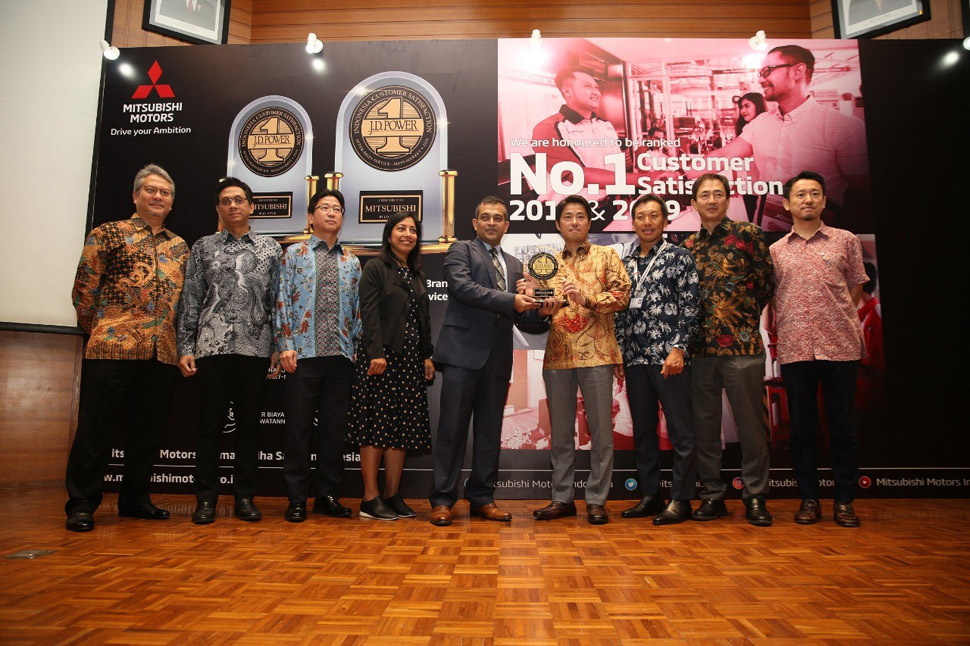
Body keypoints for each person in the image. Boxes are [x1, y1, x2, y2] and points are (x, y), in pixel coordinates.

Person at [66, 164, 189, 532]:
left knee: (147, 433)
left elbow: (184, 303)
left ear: (171, 203)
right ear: (136, 196)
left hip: (161, 353)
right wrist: (104, 330)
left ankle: (135, 499)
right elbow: (83, 291)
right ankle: (82, 504)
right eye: (151, 190)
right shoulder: (107, 234)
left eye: (165, 193)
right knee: (96, 430)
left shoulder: (180, 247)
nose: (158, 197)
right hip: (111, 349)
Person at [428, 197, 553, 527]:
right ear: (475, 223)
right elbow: (463, 288)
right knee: (452, 430)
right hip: (462, 354)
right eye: (485, 217)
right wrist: (513, 299)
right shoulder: (461, 250)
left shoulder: (514, 264)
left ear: (506, 225)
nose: (492, 223)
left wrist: (541, 312)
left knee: (489, 431)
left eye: (498, 218)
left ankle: (482, 497)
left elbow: (522, 319)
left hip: (497, 358)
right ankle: (442, 499)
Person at [520, 195, 631, 525]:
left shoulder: (606, 256)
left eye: (580, 216)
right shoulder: (546, 263)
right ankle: (562, 498)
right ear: (558, 224)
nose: (574, 222)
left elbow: (622, 296)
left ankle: (596, 499)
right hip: (558, 356)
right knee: (561, 434)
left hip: (598, 354)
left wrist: (587, 298)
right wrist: (536, 300)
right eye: (567, 217)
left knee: (601, 434)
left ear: (588, 222)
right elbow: (536, 306)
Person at [176, 178, 281, 525]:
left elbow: (277, 301)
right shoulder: (203, 247)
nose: (232, 206)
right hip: (212, 346)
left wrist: (278, 346)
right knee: (210, 426)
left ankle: (245, 497)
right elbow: (191, 298)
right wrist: (185, 346)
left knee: (249, 427)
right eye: (225, 201)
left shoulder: (270, 248)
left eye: (238, 200)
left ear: (251, 206)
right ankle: (205, 499)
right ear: (218, 209)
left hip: (255, 347)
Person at [770, 171, 869, 528]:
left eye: (815, 193)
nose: (808, 200)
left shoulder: (845, 240)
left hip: (840, 346)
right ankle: (809, 499)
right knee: (801, 430)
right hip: (796, 348)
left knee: (842, 428)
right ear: (787, 204)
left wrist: (836, 316)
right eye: (800, 195)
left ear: (825, 200)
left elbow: (855, 286)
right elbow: (775, 298)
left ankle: (844, 500)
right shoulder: (776, 251)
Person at [683, 173, 775, 526]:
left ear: (727, 199)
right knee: (705, 429)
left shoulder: (749, 235)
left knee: (751, 428)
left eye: (717, 194)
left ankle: (755, 496)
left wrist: (741, 317)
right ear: (694, 204)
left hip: (742, 346)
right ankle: (712, 495)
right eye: (704, 195)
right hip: (701, 351)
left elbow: (765, 284)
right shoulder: (688, 246)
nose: (711, 200)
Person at [275, 189, 361, 523]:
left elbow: (357, 310)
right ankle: (296, 499)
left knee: (333, 431)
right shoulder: (293, 254)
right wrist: (285, 343)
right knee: (298, 429)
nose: (331, 213)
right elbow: (282, 298)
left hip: (341, 355)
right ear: (311, 217)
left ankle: (327, 496)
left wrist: (355, 348)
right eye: (324, 207)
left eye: (337, 208)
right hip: (303, 354)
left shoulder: (351, 261)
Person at [614, 194, 699, 525]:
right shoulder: (625, 262)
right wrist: (620, 352)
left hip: (669, 359)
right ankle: (650, 495)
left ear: (665, 221)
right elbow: (621, 311)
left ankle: (681, 499)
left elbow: (690, 306)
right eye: (640, 216)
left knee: (681, 432)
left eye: (653, 216)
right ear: (633, 222)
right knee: (644, 431)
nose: (647, 222)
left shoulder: (679, 257)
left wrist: (679, 349)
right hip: (635, 359)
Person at [705, 45, 868, 217]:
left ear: (798, 71)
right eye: (761, 73)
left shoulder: (842, 126)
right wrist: (684, 174)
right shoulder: (760, 123)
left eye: (767, 71)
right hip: (767, 225)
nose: (761, 80)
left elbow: (862, 195)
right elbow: (724, 155)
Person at [348, 213, 435, 520]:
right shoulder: (375, 268)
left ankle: (392, 495)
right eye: (401, 228)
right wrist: (376, 353)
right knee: (376, 426)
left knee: (402, 428)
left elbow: (423, 319)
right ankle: (369, 498)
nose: (407, 234)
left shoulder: (416, 272)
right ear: (389, 235)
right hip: (381, 359)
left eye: (413, 230)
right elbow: (368, 313)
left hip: (410, 360)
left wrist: (426, 355)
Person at [531, 67, 640, 204]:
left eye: (596, 87)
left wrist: (624, 197)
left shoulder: (605, 125)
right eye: (588, 86)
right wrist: (641, 179)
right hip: (570, 211)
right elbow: (576, 175)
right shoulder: (548, 128)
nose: (596, 92)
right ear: (567, 91)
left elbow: (615, 168)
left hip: (608, 205)